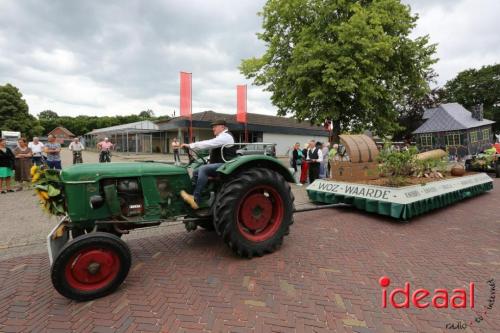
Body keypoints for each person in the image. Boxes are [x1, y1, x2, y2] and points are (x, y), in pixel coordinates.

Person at [179, 119, 236, 209]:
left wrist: (191, 146)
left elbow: (209, 143)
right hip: (220, 164)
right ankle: (193, 195)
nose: (213, 129)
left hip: (226, 165)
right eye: (213, 127)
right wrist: (208, 160)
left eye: (215, 127)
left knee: (204, 169)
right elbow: (214, 151)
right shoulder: (221, 137)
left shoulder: (226, 136)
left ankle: (195, 198)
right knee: (196, 171)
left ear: (222, 127)